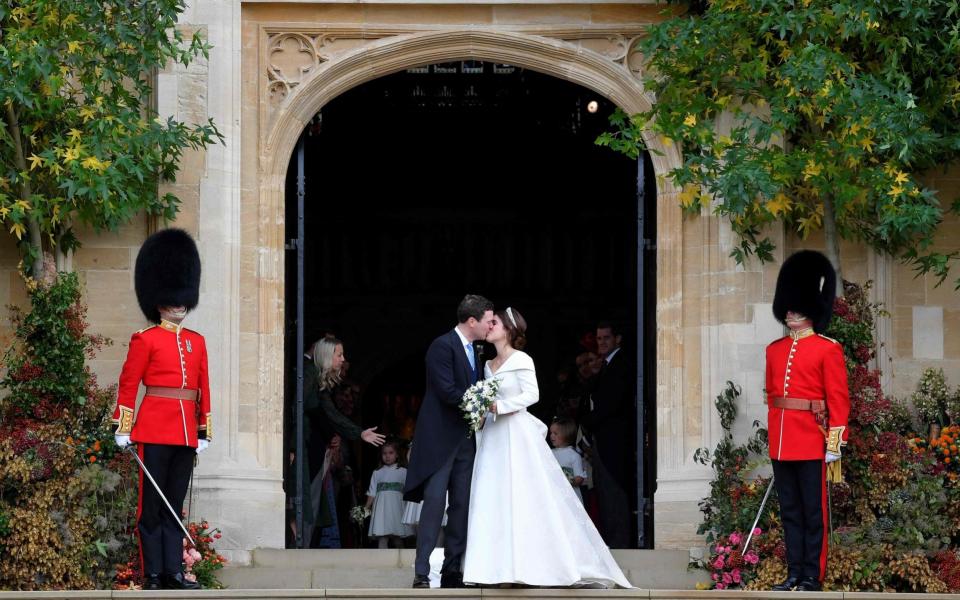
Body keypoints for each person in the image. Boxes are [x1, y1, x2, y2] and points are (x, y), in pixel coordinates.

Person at [462, 307, 631, 588]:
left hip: (515, 434)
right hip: (493, 436)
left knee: (522, 496)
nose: (489, 326)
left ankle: (529, 565)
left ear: (509, 330)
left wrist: (499, 406)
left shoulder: (522, 359)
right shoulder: (488, 365)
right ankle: (494, 568)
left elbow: (532, 395)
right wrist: (480, 411)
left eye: (495, 323)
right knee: (493, 494)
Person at [111, 228, 209, 591]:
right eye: (172, 300)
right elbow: (128, 383)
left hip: (185, 433)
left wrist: (203, 432)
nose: (179, 305)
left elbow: (203, 392)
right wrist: (124, 425)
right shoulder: (144, 339)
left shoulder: (197, 343)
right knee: (150, 508)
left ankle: (174, 572)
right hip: (152, 428)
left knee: (173, 506)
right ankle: (152, 573)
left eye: (182, 299)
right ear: (159, 301)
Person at [767, 250, 850, 592]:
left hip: (812, 442)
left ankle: (811, 576)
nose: (789, 311)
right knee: (790, 512)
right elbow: (773, 399)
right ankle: (794, 573)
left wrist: (834, 445)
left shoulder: (827, 349)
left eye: (795, 304)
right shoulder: (774, 349)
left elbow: (839, 402)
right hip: (783, 442)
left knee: (814, 514)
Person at [404, 294, 495, 589]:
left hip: (466, 441)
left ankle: (452, 569)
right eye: (488, 321)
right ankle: (421, 571)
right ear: (472, 321)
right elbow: (446, 390)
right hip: (440, 440)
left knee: (461, 505)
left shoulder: (476, 350)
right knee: (433, 504)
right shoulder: (442, 346)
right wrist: (479, 405)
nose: (491, 326)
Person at [287, 335, 385, 547]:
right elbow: (300, 409)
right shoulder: (309, 373)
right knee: (307, 497)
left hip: (313, 445)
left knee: (312, 497)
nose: (343, 359)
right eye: (339, 354)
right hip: (307, 445)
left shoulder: (318, 379)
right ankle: (299, 544)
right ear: (326, 355)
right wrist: (294, 446)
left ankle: (303, 544)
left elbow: (330, 413)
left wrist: (359, 433)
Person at [582, 321, 634, 548]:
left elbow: (612, 403)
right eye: (599, 338)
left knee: (614, 493)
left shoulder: (621, 363)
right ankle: (612, 542)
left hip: (614, 441)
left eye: (605, 338)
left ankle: (619, 544)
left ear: (617, 339)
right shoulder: (605, 365)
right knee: (605, 494)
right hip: (603, 440)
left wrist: (587, 422)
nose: (601, 342)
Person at [365, 441, 413, 548]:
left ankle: (400, 563)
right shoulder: (377, 472)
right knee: (382, 538)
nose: (387, 456)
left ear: (397, 455)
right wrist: (365, 509)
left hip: (397, 509)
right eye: (384, 453)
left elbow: (409, 492)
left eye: (391, 453)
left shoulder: (403, 472)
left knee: (398, 538)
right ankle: (382, 563)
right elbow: (372, 493)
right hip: (381, 510)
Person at [549, 417, 587, 504]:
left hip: (570, 496)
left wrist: (566, 480)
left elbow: (579, 478)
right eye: (551, 433)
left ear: (566, 434)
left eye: (555, 433)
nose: (551, 436)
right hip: (555, 494)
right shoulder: (549, 453)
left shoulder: (573, 455)